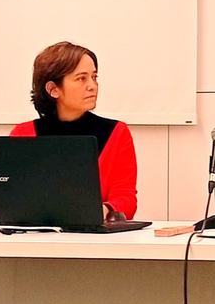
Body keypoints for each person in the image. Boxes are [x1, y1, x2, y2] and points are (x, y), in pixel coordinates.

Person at [10, 41, 137, 220]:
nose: (93, 86)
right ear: (53, 89)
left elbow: (126, 200)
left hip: (93, 234)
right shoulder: (23, 134)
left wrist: (102, 211)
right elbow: (2, 203)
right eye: (81, 79)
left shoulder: (117, 132)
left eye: (94, 77)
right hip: (35, 234)